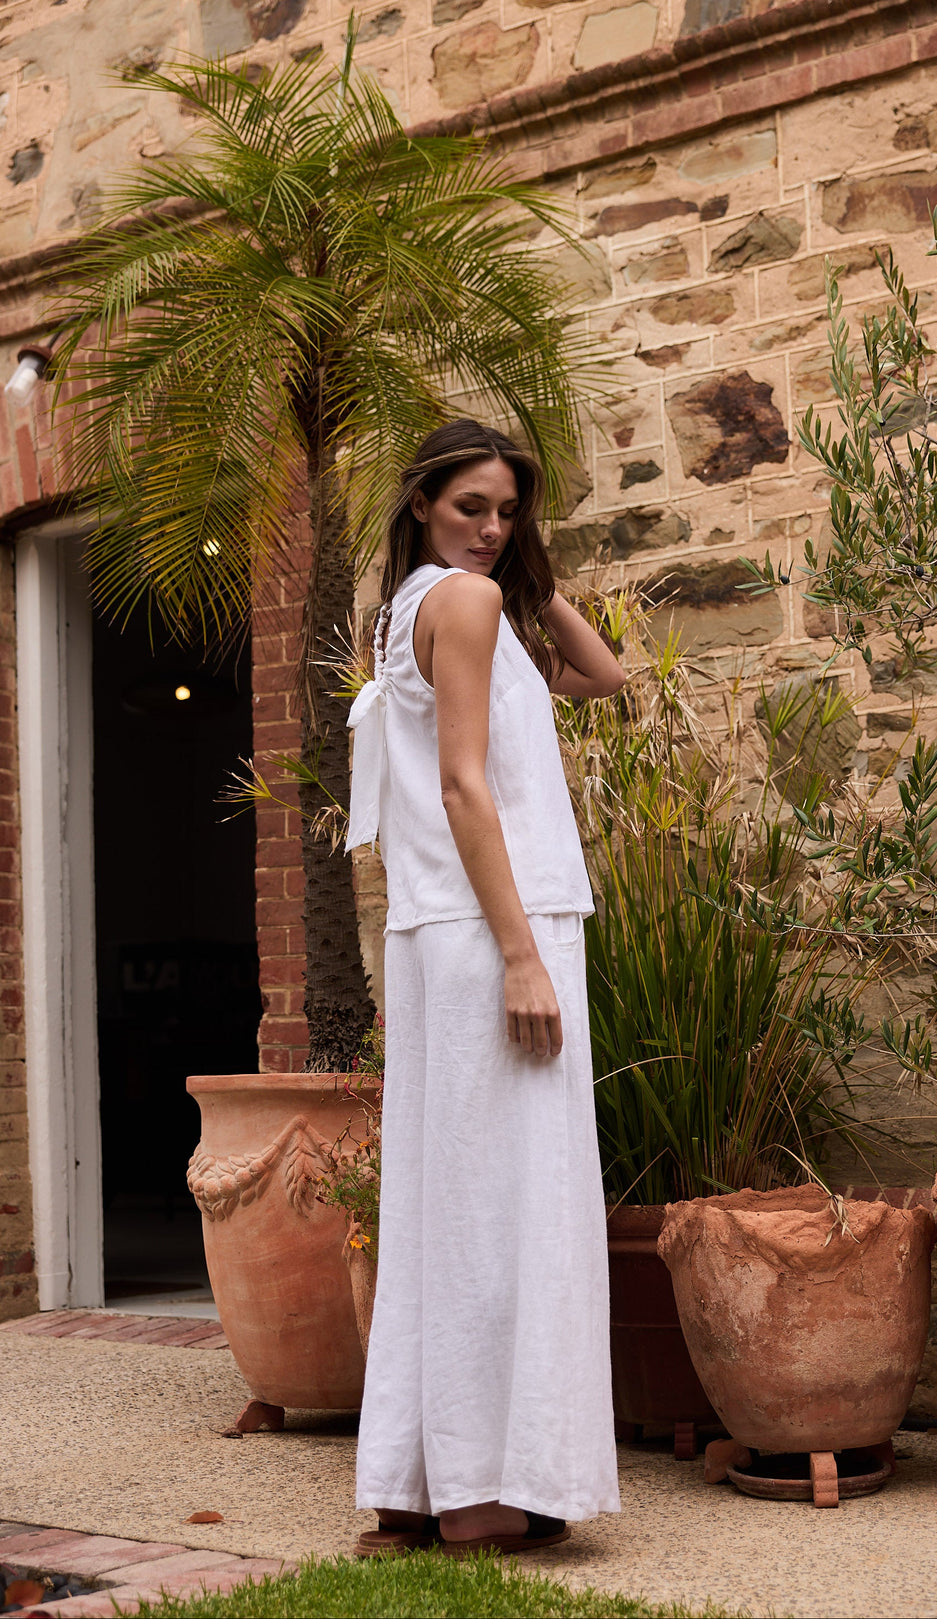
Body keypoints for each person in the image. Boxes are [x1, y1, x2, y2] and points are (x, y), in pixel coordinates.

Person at [347, 419, 625, 1558]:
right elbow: (466, 788)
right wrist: (522, 952)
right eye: (472, 507)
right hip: (490, 930)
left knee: (457, 1205)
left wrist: (536, 580)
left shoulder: (435, 601)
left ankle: (429, 1482)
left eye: (508, 510)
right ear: (421, 501)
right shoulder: (457, 605)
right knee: (503, 1210)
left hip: (448, 933)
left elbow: (606, 677)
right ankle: (479, 1490)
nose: (492, 527)